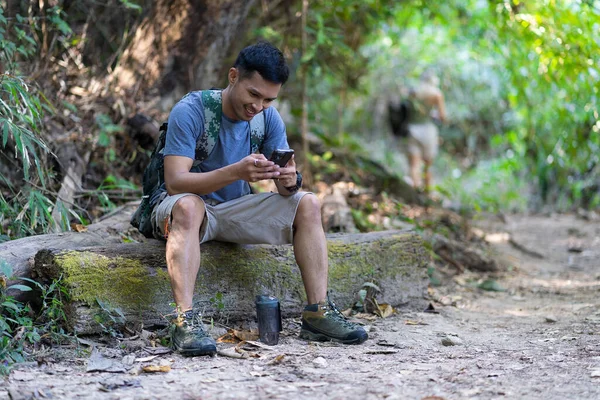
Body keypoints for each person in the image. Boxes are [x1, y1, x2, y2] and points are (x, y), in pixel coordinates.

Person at [149, 41, 368, 356]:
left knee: (308, 203)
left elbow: (285, 190)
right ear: (233, 76)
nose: (258, 106)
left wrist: (290, 180)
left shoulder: (268, 118)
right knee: (188, 205)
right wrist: (237, 172)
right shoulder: (193, 110)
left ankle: (318, 313)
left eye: (268, 99)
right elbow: (175, 182)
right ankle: (185, 320)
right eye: (253, 95)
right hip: (183, 209)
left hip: (232, 211)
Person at [405, 70, 447, 192]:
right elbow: (443, 116)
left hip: (412, 129)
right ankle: (427, 193)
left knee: (414, 164)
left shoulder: (414, 91)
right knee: (428, 165)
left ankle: (415, 191)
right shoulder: (436, 94)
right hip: (428, 131)